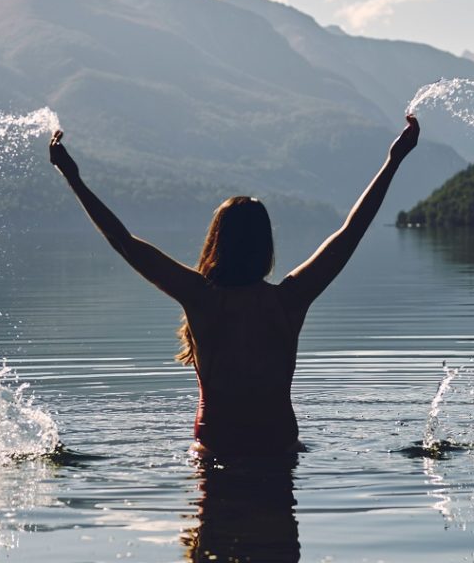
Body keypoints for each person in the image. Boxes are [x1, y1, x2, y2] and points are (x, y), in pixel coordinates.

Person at [49, 114, 419, 457]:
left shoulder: (200, 298)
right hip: (279, 451)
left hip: (216, 453)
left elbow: (124, 241)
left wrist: (73, 178)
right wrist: (394, 161)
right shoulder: (290, 299)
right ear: (265, 247)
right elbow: (351, 232)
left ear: (215, 243)